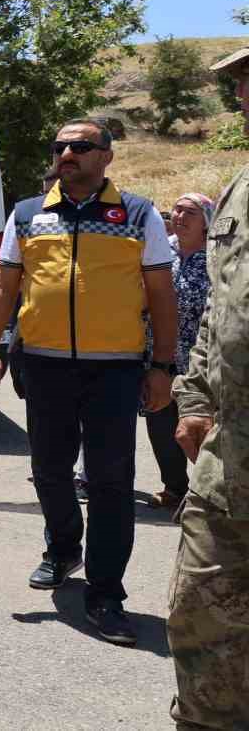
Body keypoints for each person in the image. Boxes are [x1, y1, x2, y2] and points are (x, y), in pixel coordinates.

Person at [0, 119, 176, 647]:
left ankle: (106, 593)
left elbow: (160, 293)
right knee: (48, 470)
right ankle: (64, 548)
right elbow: (3, 284)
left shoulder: (139, 213)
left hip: (114, 368)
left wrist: (163, 366)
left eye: (81, 146)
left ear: (107, 156)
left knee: (110, 481)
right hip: (43, 364)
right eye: (60, 145)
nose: (67, 153)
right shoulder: (27, 213)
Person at [166, 47, 249, 729]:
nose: (245, 96)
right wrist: (193, 398)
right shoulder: (240, 190)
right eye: (242, 85)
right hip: (228, 464)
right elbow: (217, 314)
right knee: (199, 619)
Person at [146, 193, 209, 511]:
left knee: (197, 428)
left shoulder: (217, 258)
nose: (180, 216)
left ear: (206, 223)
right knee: (160, 425)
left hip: (199, 361)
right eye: (178, 210)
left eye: (191, 212)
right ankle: (174, 487)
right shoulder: (160, 252)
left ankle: (207, 492)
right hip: (159, 356)